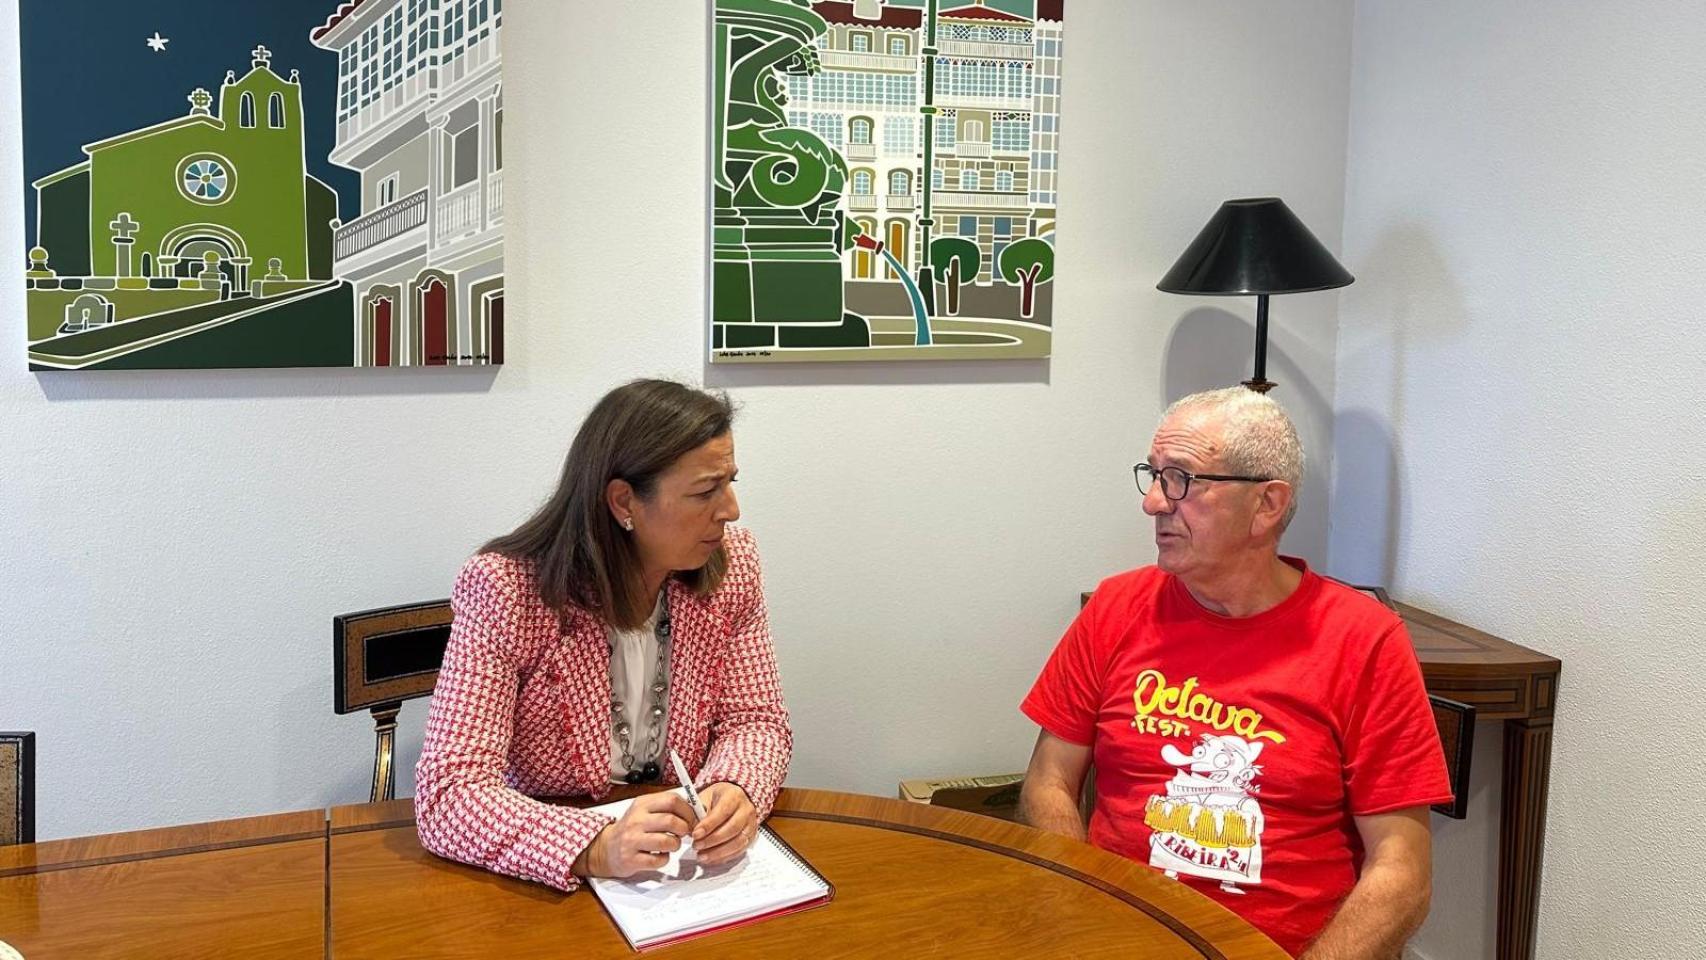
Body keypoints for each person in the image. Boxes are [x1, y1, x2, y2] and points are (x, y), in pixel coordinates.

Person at [1018, 386, 1450, 958]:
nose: (1153, 503)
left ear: (1267, 505)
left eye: (1182, 480)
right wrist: (1085, 918)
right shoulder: (1116, 608)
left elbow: (1402, 871)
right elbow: (1047, 782)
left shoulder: (1363, 641)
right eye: (1154, 475)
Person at [415, 379, 790, 889]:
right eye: (705, 491)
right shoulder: (508, 589)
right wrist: (593, 846)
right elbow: (449, 792)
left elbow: (756, 721)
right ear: (623, 503)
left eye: (730, 482)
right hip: (538, 879)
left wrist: (736, 787)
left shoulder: (733, 564)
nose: (730, 509)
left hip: (678, 870)